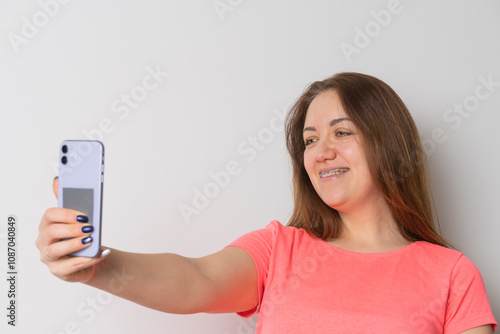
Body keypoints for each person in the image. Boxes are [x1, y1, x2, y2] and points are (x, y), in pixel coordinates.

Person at [37, 72, 497, 333]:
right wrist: (99, 267)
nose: (321, 151)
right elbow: (196, 279)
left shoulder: (451, 274)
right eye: (310, 139)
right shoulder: (281, 249)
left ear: (388, 143)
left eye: (342, 132)